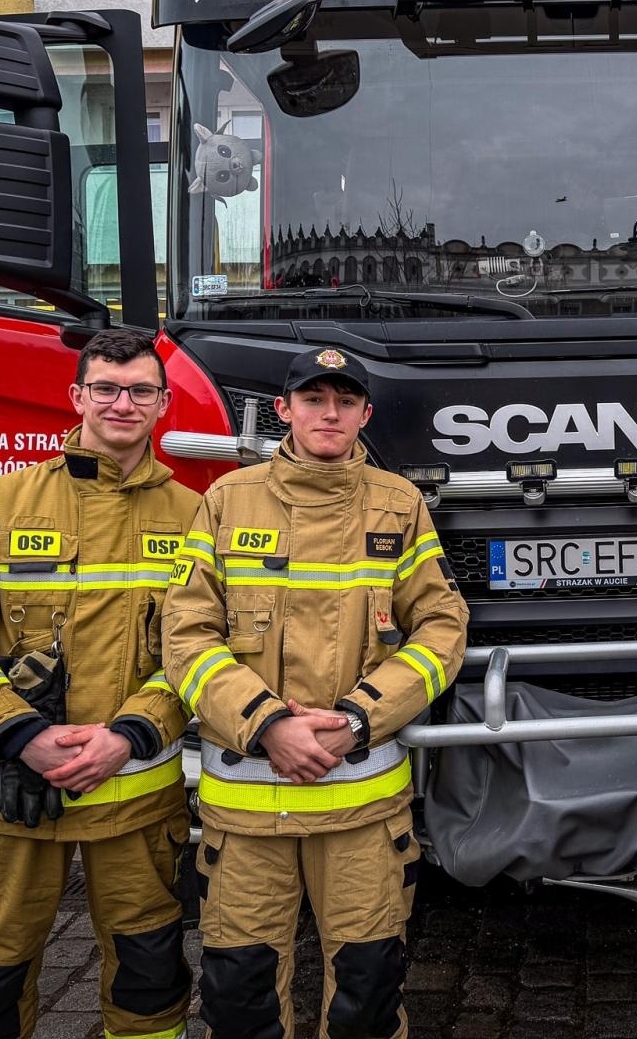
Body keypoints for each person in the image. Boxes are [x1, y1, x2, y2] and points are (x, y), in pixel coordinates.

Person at [164, 347, 467, 1039]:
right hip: (246, 816)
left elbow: (443, 627)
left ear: (365, 414)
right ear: (284, 410)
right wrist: (267, 724)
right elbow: (184, 634)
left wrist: (358, 718)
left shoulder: (399, 504)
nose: (329, 414)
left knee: (368, 998)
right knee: (239, 1001)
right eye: (313, 400)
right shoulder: (226, 500)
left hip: (363, 812)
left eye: (344, 402)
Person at [0, 328, 199, 1039]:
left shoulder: (195, 515)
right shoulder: (2, 500)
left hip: (136, 798)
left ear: (163, 404)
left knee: (150, 981)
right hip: (15, 790)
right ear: (76, 396)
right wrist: (19, 734)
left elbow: (199, 649)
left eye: (140, 390)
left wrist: (131, 734)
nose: (122, 403)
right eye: (105, 388)